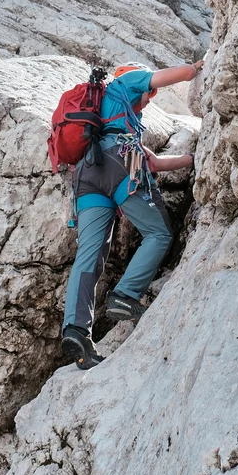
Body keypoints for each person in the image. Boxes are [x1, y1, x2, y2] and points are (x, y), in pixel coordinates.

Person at [60, 60, 203, 369]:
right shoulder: (128, 81)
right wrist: (197, 66)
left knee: (89, 254)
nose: (148, 98)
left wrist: (193, 159)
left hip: (87, 174)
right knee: (158, 233)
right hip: (119, 163)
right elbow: (175, 76)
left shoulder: (109, 118)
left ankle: (76, 331)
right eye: (148, 94)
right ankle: (126, 294)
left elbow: (155, 163)